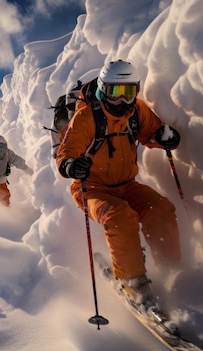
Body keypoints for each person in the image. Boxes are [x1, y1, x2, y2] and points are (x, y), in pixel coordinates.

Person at [56, 60, 182, 307]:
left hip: (127, 185)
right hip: (91, 188)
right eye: (115, 92)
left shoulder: (136, 111)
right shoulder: (86, 118)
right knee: (120, 217)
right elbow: (66, 152)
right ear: (103, 90)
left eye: (129, 92)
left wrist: (164, 137)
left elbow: (151, 131)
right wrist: (71, 165)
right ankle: (134, 285)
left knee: (161, 209)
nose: (122, 101)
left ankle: (174, 272)